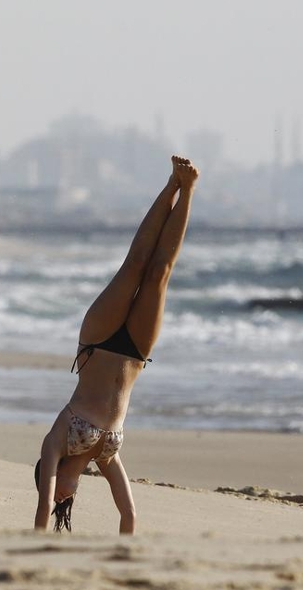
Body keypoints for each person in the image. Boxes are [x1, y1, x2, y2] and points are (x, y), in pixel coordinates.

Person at [34, 156, 198, 534]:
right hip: (135, 353)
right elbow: (129, 516)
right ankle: (188, 191)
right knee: (159, 274)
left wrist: (36, 544)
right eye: (65, 500)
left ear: (49, 477)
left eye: (56, 491)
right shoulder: (106, 459)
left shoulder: (54, 445)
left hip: (98, 342)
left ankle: (172, 183)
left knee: (136, 263)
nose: (63, 498)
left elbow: (43, 508)